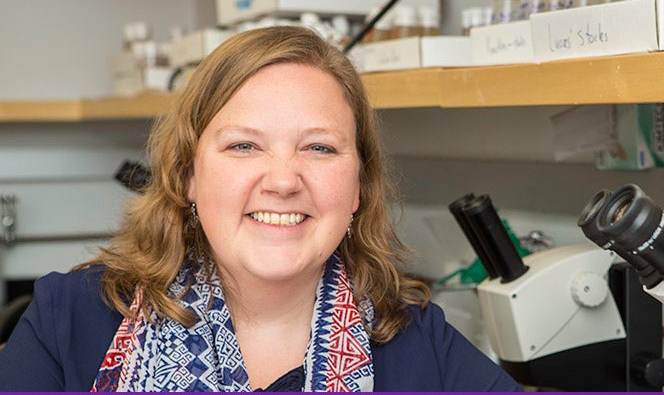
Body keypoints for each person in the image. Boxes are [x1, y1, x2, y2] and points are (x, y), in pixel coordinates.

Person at [0, 25, 521, 392]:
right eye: (244, 146)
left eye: (319, 148)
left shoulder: (419, 345)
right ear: (187, 175)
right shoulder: (68, 320)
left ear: (359, 185)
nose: (283, 180)